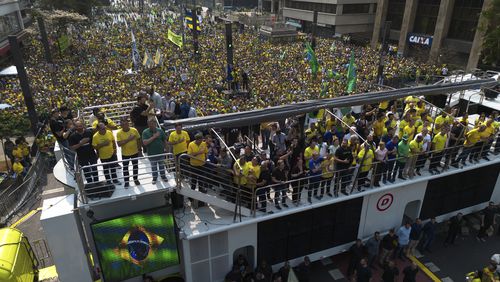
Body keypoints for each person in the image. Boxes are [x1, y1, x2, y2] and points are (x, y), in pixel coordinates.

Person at [116, 118, 142, 188]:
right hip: (125, 154)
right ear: (121, 125)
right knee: (125, 168)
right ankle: (126, 181)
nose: (125, 125)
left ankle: (135, 179)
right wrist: (129, 139)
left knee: (135, 166)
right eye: (123, 124)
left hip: (135, 152)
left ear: (128, 123)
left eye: (126, 123)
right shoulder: (119, 133)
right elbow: (119, 144)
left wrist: (140, 150)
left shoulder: (134, 130)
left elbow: (138, 139)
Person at [142, 119, 168, 184]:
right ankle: (154, 178)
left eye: (153, 124)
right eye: (150, 124)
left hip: (161, 153)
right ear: (148, 124)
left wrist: (166, 149)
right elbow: (145, 143)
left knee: (162, 166)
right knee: (154, 167)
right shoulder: (145, 132)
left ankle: (163, 176)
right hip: (152, 154)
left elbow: (164, 141)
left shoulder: (160, 131)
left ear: (155, 124)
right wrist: (154, 137)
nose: (151, 125)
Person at [187, 133, 209, 203]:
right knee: (193, 182)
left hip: (202, 165)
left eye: (202, 140)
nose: (201, 141)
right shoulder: (191, 144)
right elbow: (189, 155)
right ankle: (191, 197)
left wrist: (206, 158)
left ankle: (200, 198)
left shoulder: (203, 144)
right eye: (200, 140)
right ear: (197, 139)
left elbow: (206, 152)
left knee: (201, 181)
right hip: (194, 166)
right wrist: (199, 152)